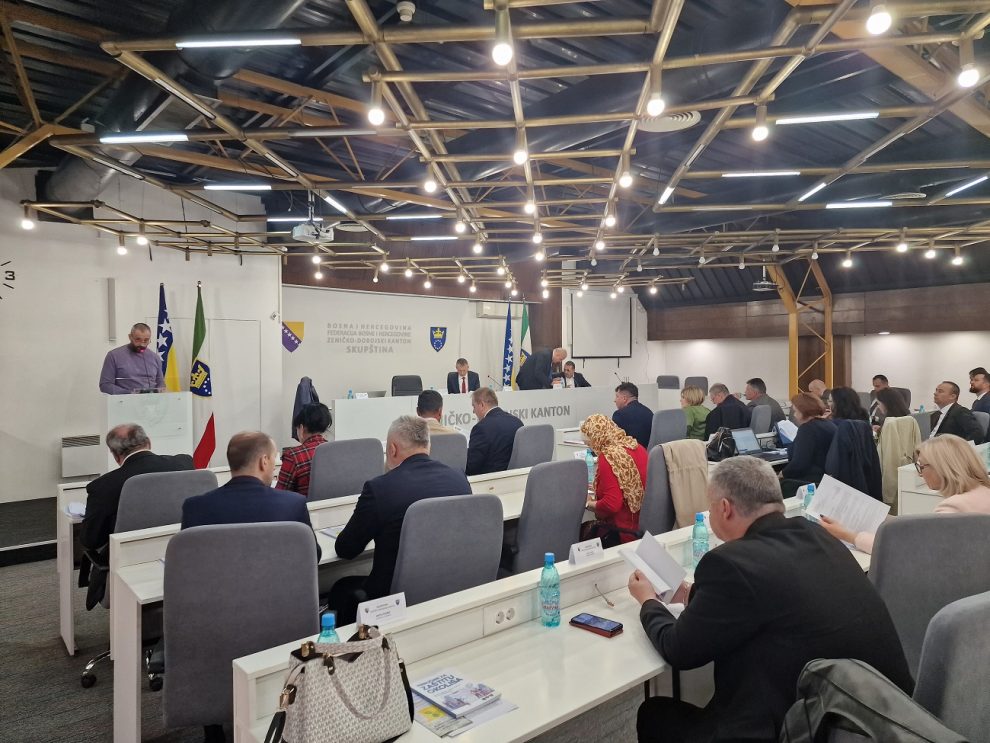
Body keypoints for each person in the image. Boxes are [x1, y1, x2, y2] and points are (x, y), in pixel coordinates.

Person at [629, 457, 912, 743]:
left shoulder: (729, 563)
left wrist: (648, 601)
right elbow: (768, 596)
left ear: (725, 508)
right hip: (881, 719)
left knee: (655, 714)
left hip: (805, 727)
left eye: (710, 507)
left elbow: (678, 649)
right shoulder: (816, 535)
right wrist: (689, 594)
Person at [330, 416, 471, 624]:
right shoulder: (459, 479)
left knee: (340, 588)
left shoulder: (380, 488)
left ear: (392, 449)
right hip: (448, 589)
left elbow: (346, 549)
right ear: (428, 446)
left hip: (392, 601)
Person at [822, 434, 990, 554]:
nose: (920, 474)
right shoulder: (982, 492)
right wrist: (883, 517)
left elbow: (907, 550)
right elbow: (925, 527)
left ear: (942, 468)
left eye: (921, 467)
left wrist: (848, 536)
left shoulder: (954, 507)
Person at [181, 432, 320, 560]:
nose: (274, 467)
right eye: (274, 458)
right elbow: (313, 555)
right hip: (276, 580)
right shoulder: (293, 504)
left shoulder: (194, 508)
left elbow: (186, 564)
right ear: (264, 461)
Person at [81, 424, 193, 553]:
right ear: (148, 443)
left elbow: (91, 540)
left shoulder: (103, 486)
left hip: (129, 555)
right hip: (182, 546)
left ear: (115, 455)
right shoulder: (184, 463)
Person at [581, 414, 647, 545]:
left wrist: (588, 503)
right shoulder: (636, 446)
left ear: (597, 439)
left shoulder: (608, 457)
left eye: (589, 443)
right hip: (644, 527)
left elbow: (611, 504)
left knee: (581, 533)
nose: (591, 448)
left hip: (622, 531)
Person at [779, 393, 836, 499]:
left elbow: (800, 463)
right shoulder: (829, 424)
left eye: (796, 411)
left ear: (804, 411)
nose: (794, 415)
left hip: (809, 482)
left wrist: (782, 474)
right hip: (825, 480)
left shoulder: (807, 429)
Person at [276, 402, 332, 497]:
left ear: (301, 428)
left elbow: (280, 494)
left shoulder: (293, 456)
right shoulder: (336, 450)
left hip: (302, 505)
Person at [466, 387, 524, 475]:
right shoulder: (517, 422)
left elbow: (471, 466)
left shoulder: (481, 428)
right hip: (515, 477)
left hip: (489, 479)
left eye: (474, 406)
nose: (473, 411)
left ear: (481, 405)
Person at [98, 322, 165, 394]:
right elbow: (105, 385)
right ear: (130, 337)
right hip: (125, 399)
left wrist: (159, 391)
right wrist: (130, 393)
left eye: (146, 340)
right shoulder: (113, 355)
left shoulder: (155, 357)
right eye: (138, 339)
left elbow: (161, 383)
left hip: (152, 400)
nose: (142, 344)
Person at [612, 382, 654, 449]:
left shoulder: (619, 415)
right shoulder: (649, 412)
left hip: (630, 454)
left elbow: (613, 442)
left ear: (624, 398)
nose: (614, 400)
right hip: (647, 454)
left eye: (617, 396)